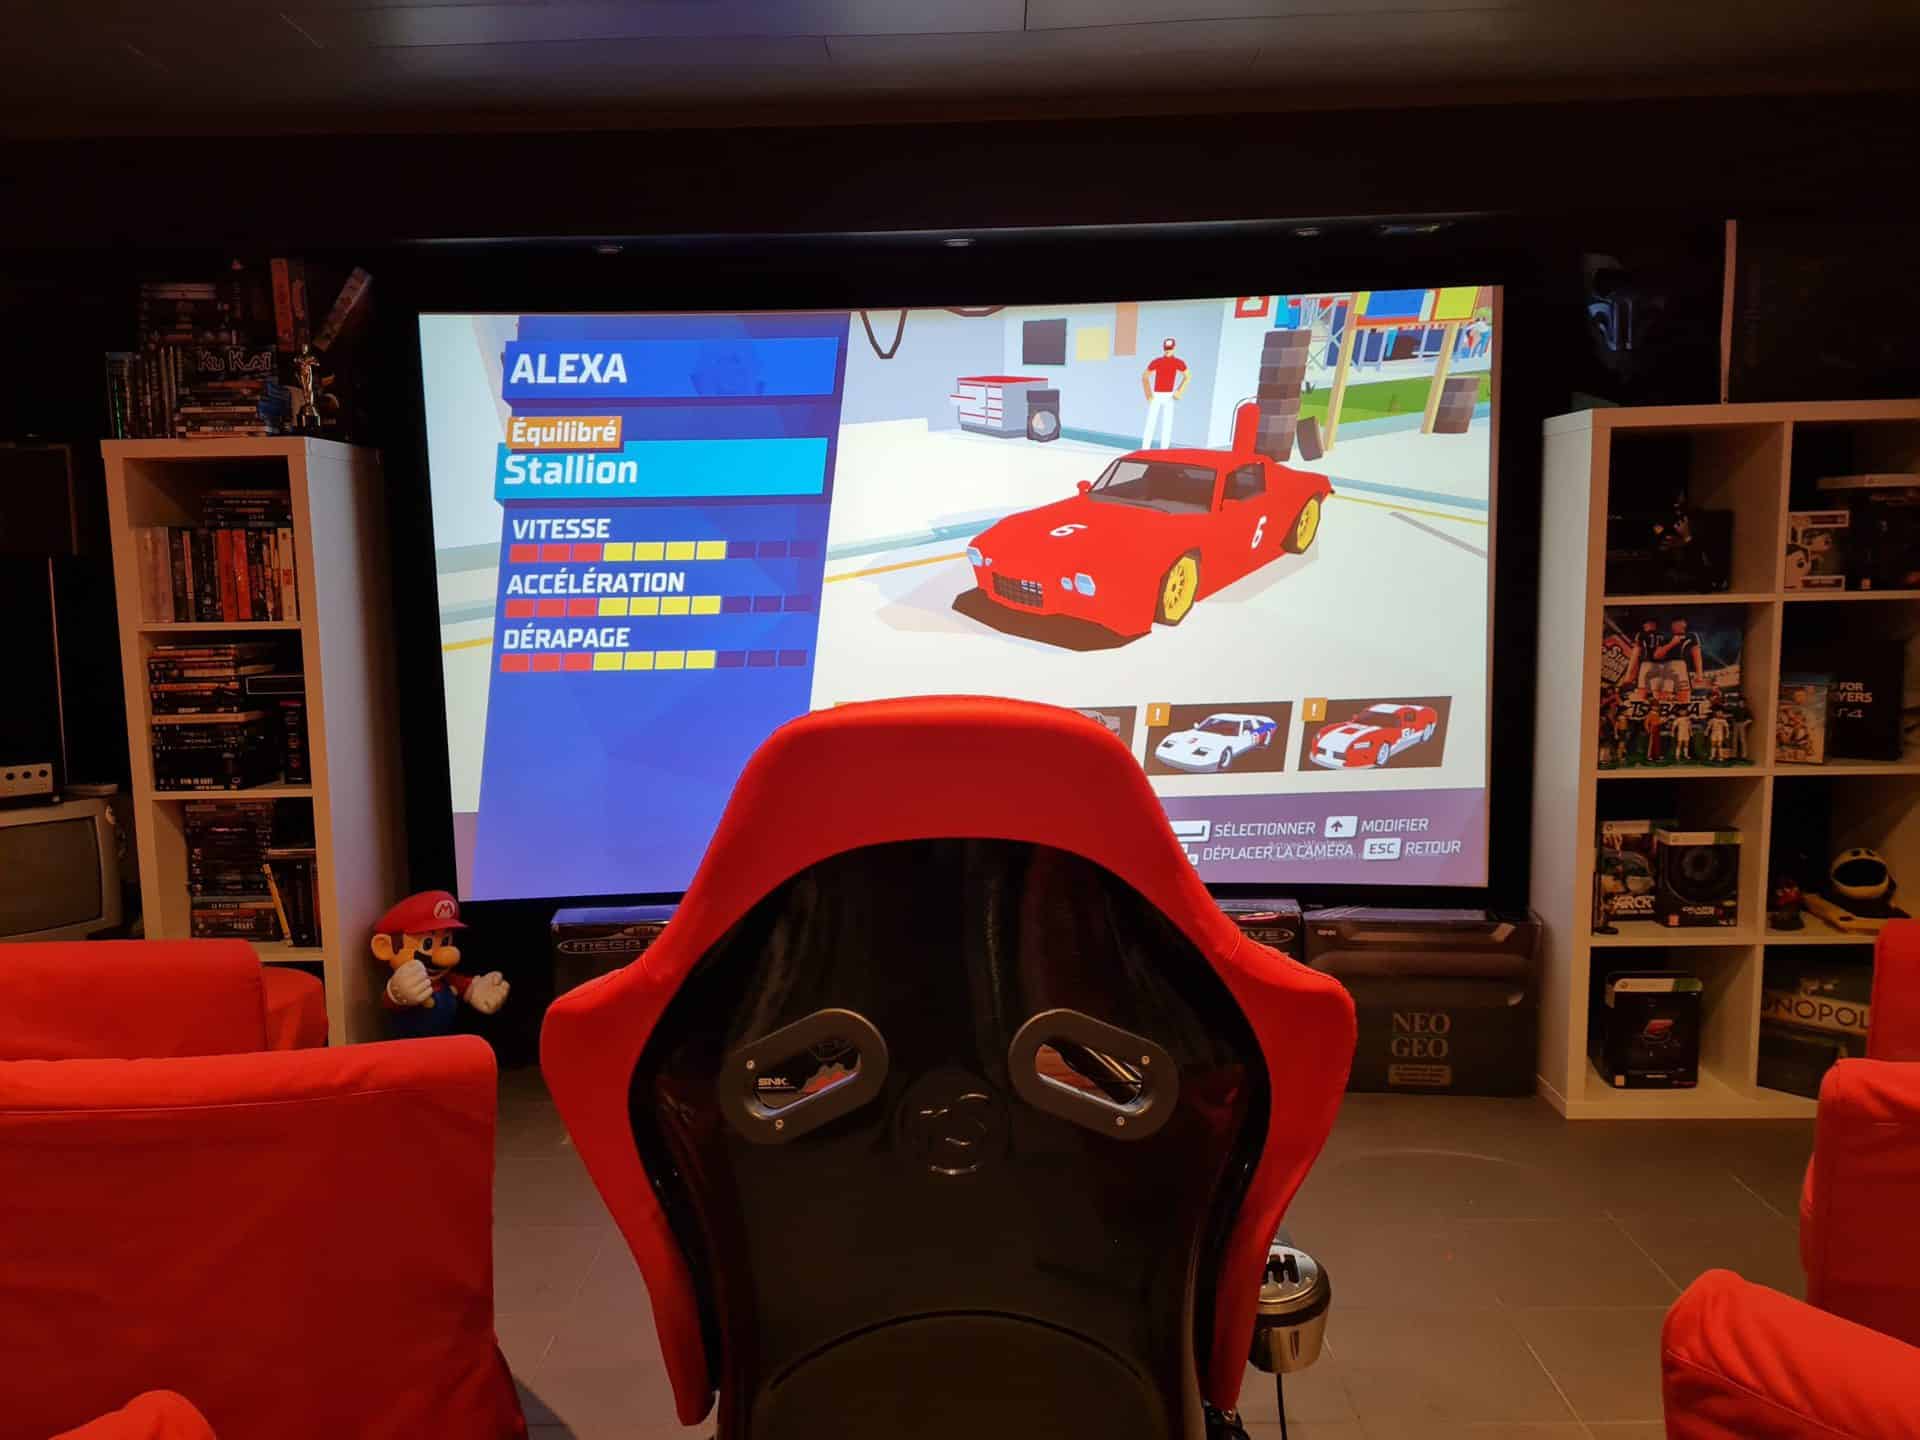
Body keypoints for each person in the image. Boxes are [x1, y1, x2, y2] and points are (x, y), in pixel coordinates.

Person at [1140, 337, 1189, 449]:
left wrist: (1179, 391)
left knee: (1167, 424)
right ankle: (1145, 449)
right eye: (1166, 348)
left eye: (1170, 349)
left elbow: (1188, 376)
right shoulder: (1157, 362)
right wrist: (1148, 395)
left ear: (1174, 348)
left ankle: (1164, 450)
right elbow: (1145, 376)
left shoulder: (1178, 362)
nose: (1168, 351)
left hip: (1169, 396)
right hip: (1156, 395)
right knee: (1151, 422)